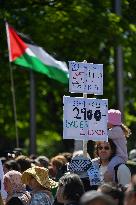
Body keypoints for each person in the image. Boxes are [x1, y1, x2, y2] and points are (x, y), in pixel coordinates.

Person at [106, 109, 131, 180]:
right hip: (117, 156)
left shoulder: (117, 130)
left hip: (120, 156)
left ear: (112, 122)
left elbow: (105, 134)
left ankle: (112, 182)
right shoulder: (115, 129)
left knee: (110, 167)